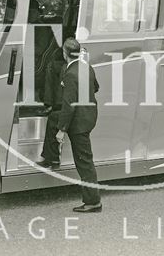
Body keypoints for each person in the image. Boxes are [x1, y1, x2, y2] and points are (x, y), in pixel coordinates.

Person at [52, 38, 102, 212]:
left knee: (84, 163)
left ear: (64, 53)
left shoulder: (70, 73)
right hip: (89, 117)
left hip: (79, 123)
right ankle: (92, 200)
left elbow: (69, 105)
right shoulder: (86, 67)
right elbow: (96, 87)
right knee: (86, 160)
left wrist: (61, 130)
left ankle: (93, 202)